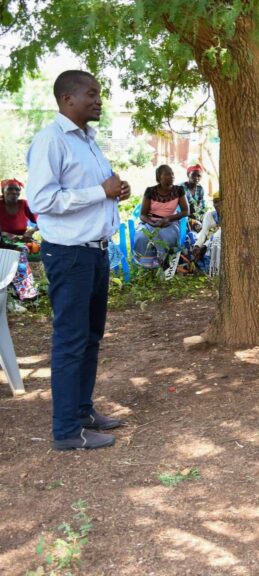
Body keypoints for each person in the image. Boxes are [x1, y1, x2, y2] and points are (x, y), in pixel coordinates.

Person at [24, 70, 131, 450]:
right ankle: (67, 430)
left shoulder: (88, 140)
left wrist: (115, 191)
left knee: (90, 338)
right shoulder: (51, 140)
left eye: (99, 94)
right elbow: (42, 200)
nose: (99, 100)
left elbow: (95, 191)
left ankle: (83, 411)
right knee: (71, 340)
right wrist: (100, 191)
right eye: (92, 93)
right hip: (69, 254)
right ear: (67, 99)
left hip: (94, 252)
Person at [132, 164, 189, 269]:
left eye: (172, 174)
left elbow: (186, 211)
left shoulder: (179, 190)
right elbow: (142, 214)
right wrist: (152, 223)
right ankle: (147, 266)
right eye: (167, 174)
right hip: (150, 222)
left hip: (170, 223)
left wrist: (168, 218)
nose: (171, 176)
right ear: (159, 176)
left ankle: (164, 265)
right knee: (142, 237)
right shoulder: (150, 191)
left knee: (166, 237)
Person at [0, 178, 40, 306]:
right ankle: (25, 292)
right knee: (19, 252)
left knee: (28, 248)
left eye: (17, 189)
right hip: (2, 241)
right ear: (3, 191)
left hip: (21, 240)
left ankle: (22, 290)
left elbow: (42, 221)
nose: (14, 192)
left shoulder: (24, 204)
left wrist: (30, 231)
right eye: (10, 189)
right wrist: (6, 234)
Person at [180, 164, 206, 230]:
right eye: (193, 175)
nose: (196, 178)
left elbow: (202, 207)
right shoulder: (180, 188)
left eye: (199, 176)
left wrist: (203, 218)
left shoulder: (200, 189)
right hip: (183, 217)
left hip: (197, 218)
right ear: (188, 174)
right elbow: (178, 209)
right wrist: (191, 220)